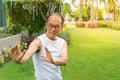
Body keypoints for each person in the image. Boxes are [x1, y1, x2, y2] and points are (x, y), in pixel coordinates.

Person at [11, 12, 68, 80]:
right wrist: (19, 60)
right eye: (50, 25)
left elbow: (64, 61)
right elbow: (26, 57)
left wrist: (52, 61)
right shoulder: (38, 41)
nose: (53, 29)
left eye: (57, 26)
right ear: (46, 25)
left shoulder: (62, 42)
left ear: (61, 27)